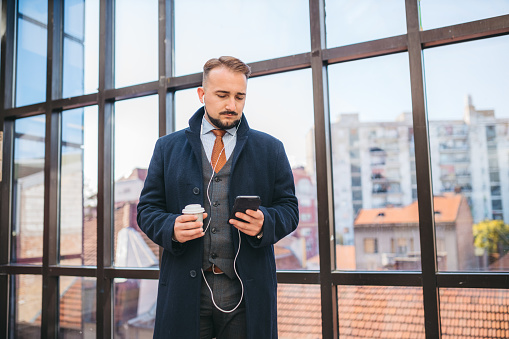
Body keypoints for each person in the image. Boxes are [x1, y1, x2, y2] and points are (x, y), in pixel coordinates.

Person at [137, 56, 299, 339]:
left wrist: (266, 223)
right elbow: (147, 210)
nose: (231, 105)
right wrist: (171, 227)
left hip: (245, 295)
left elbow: (289, 209)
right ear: (202, 95)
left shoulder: (271, 148)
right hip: (185, 292)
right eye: (222, 95)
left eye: (240, 96)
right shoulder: (167, 148)